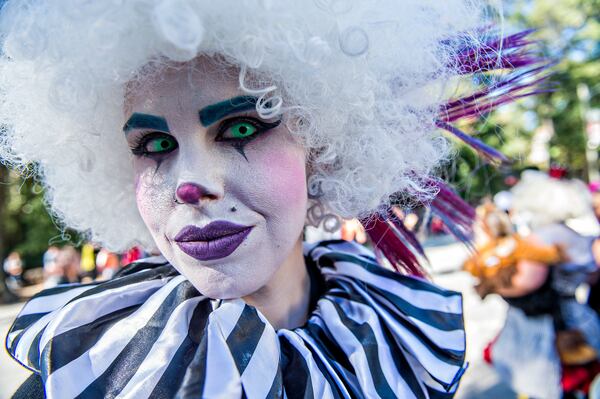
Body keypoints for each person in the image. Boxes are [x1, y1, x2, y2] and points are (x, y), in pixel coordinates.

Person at [0, 1, 547, 397]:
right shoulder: (95, 369)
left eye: (240, 129)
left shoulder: (392, 336)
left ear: (325, 147)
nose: (191, 184)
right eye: (155, 144)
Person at [482, 170, 600, 398]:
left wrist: (490, 284)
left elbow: (526, 282)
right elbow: (591, 275)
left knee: (552, 383)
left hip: (550, 325)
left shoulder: (543, 237)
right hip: (577, 315)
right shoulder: (569, 233)